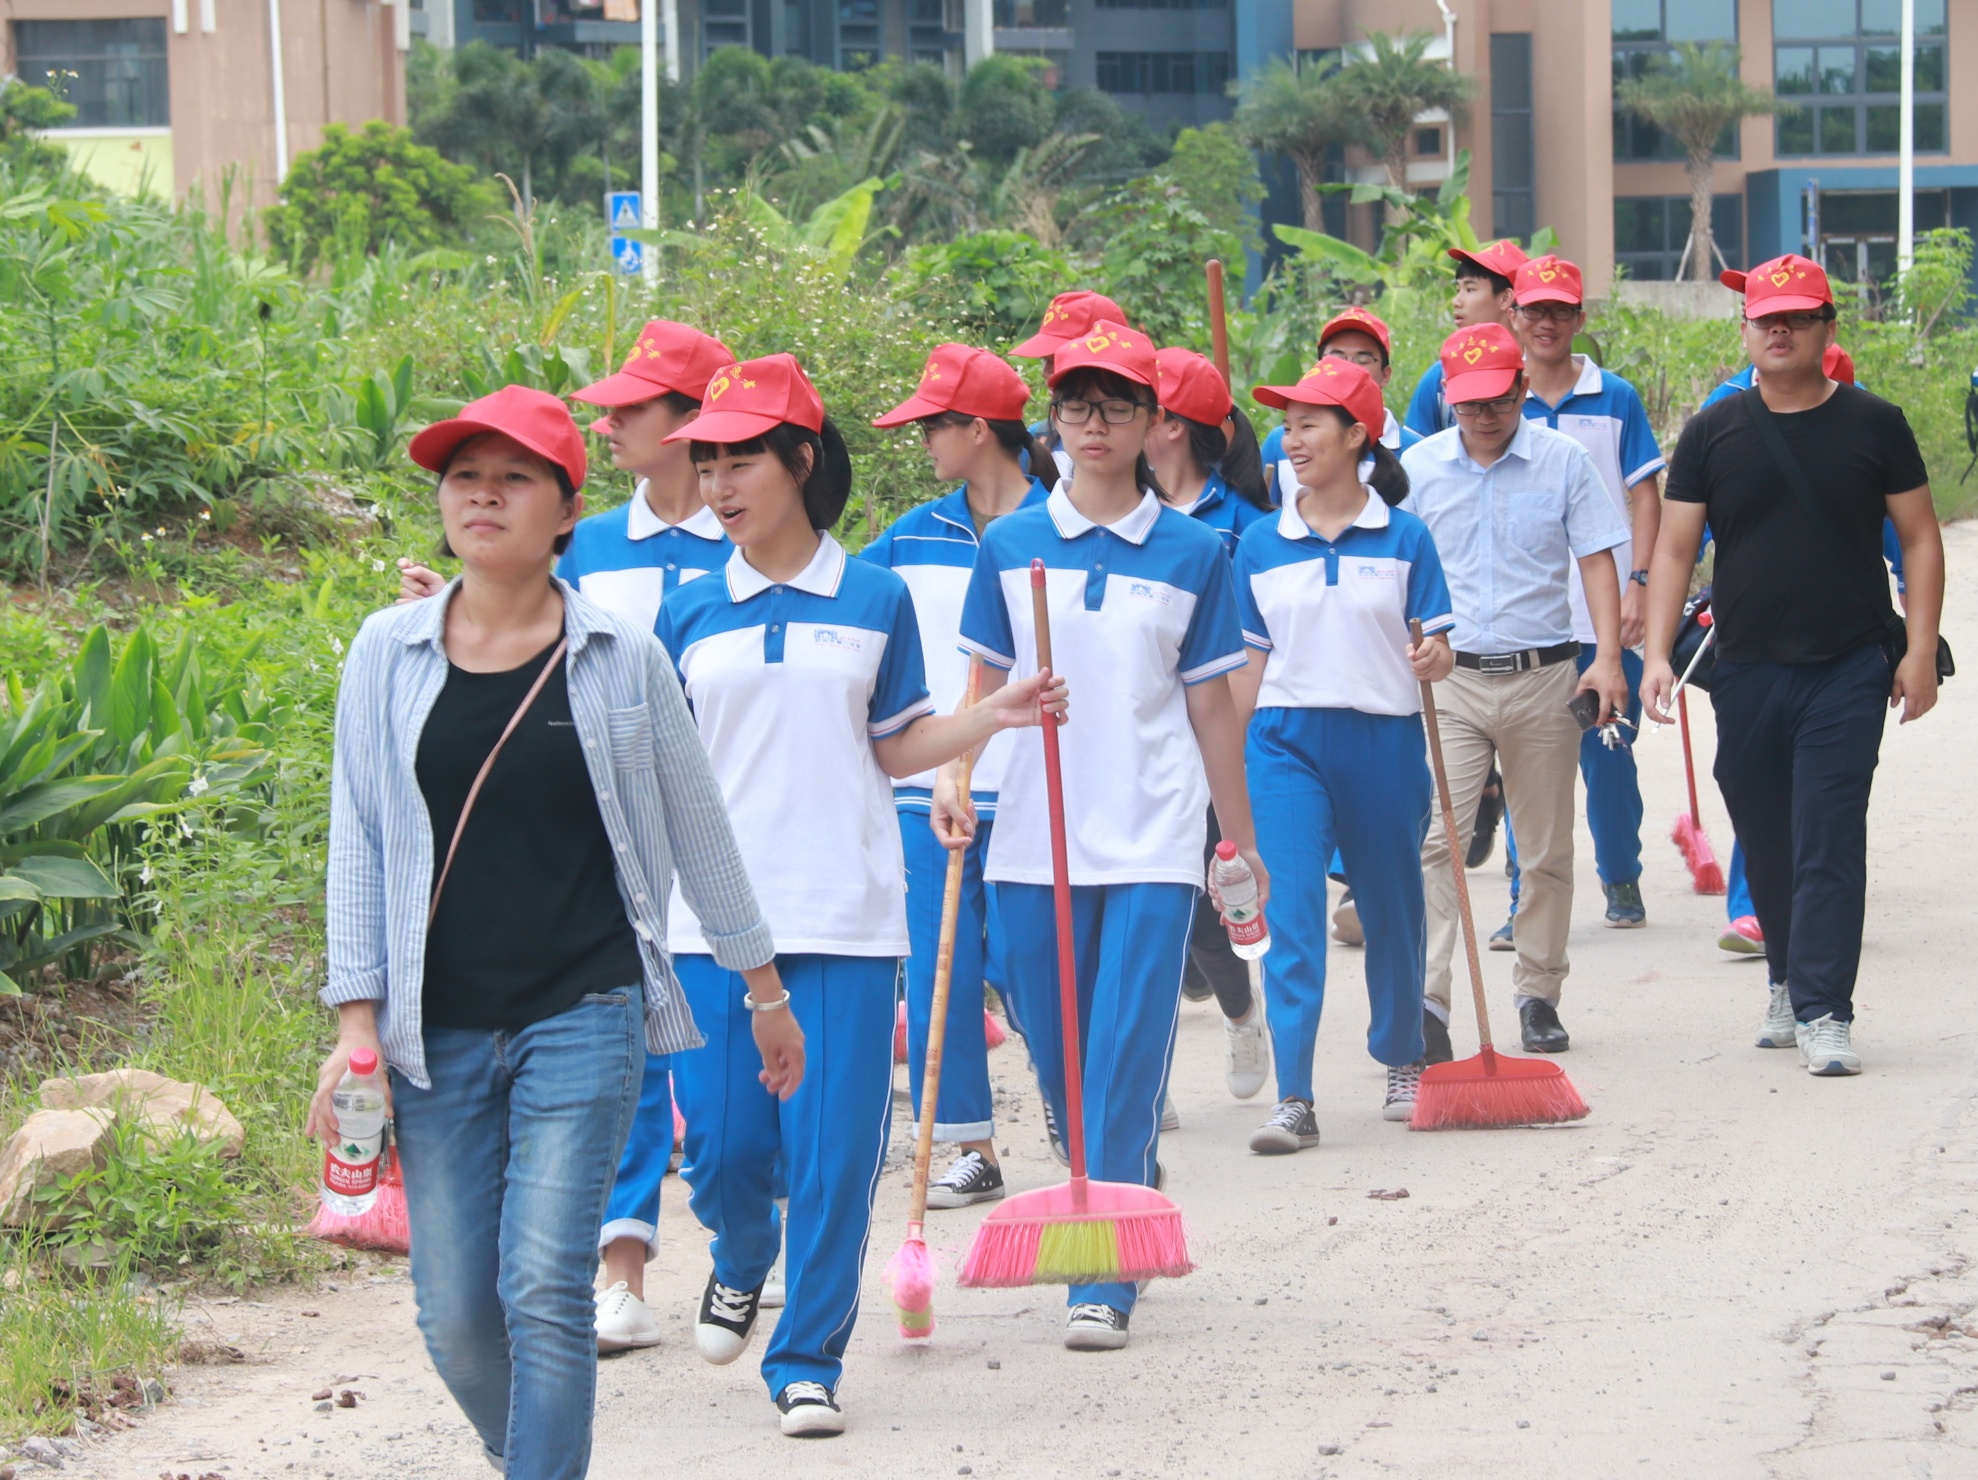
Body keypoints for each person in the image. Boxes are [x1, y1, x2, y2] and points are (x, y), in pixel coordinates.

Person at [314, 384, 802, 1480]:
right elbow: (358, 839)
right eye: (462, 478)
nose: (482, 496)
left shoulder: (617, 655)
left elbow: (700, 831)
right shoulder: (384, 654)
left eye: (513, 478)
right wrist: (357, 1029)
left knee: (542, 1282)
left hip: (581, 1010)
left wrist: (762, 989)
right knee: (452, 1311)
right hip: (434, 1031)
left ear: (565, 512)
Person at [655, 353, 1064, 1434]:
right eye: (706, 461)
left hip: (843, 911)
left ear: (800, 460)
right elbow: (660, 771)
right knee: (725, 1150)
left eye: (742, 457)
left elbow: (894, 748)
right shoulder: (688, 612)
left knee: (834, 1152)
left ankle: (805, 1358)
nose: (720, 482)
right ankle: (743, 1253)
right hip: (713, 926)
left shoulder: (875, 596)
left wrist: (994, 715)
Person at [396, 318, 746, 1353]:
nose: (614, 420)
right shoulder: (582, 546)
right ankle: (621, 1270)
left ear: (693, 423)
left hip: (732, 832)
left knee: (724, 1086)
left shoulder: (747, 534)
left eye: (633, 407)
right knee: (619, 1055)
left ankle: (740, 1234)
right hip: (609, 847)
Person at [944, 322, 1261, 1351]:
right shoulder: (1008, 545)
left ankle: (1103, 1266)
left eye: (1116, 404)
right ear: (1051, 415)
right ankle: (1107, 1181)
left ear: (1154, 421)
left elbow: (1213, 706)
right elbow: (980, 686)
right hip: (1033, 835)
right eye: (1075, 403)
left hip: (1151, 838)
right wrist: (957, 779)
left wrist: (1236, 842)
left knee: (1123, 1048)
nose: (1093, 421)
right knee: (1056, 1046)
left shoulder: (1194, 550)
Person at [1642, 253, 1945, 1077]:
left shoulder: (1875, 424)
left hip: (1847, 667)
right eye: (1766, 319)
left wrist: (1919, 650)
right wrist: (1656, 653)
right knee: (1768, 837)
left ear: (1825, 329)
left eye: (1797, 318)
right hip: (1744, 668)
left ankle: (1824, 1009)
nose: (1780, 329)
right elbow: (1675, 546)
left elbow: (1919, 537)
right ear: (1747, 331)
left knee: (1830, 835)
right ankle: (1783, 977)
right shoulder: (1713, 429)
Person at [1230, 358, 1455, 1144]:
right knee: (1290, 914)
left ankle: (1402, 1057)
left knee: (1392, 911)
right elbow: (1247, 667)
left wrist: (1435, 659)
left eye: (1308, 425)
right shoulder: (1260, 543)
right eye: (1287, 426)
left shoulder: (1406, 538)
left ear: (1357, 434)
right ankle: (1296, 1095)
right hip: (1286, 744)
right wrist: (1221, 765)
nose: (1291, 441)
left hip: (1385, 742)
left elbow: (1438, 644)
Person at [1399, 325, 1631, 1057]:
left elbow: (1597, 559)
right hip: (1452, 681)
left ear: (1523, 390)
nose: (1484, 417)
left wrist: (1608, 660)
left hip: (1544, 676)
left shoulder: (1562, 463)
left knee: (1544, 848)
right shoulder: (1418, 470)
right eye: (1468, 406)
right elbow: (1396, 569)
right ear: (1446, 399)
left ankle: (1538, 992)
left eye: (1498, 401)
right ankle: (1429, 1003)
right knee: (1438, 842)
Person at [860, 343, 1051, 1209]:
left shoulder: (1061, 526)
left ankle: (1076, 1112)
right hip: (927, 787)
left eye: (933, 425)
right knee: (942, 969)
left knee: (1028, 963)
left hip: (1037, 787)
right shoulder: (908, 537)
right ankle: (970, 1145)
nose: (922, 440)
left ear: (979, 430)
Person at [1696, 343, 1898, 959]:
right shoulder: (1723, 418)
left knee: (1823, 811)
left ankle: (1817, 991)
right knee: (1759, 798)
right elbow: (1696, 526)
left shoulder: (1867, 427)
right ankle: (1754, 912)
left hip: (1844, 654)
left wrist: (1917, 628)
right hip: (1751, 651)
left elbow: (1899, 535)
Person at [1491, 254, 1666, 943]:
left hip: (1600, 617)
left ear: (1579, 319)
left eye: (1560, 310)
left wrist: (1640, 584)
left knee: (1609, 755)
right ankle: (1520, 900)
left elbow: (1644, 493)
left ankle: (1621, 871)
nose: (1546, 322)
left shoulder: (1613, 396)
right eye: (1534, 309)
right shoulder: (1494, 400)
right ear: (1514, 314)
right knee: (1526, 771)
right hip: (1523, 620)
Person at [1145, 345, 1275, 1104]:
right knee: (1141, 907)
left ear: (1180, 429)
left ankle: (1238, 1010)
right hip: (1136, 735)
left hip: (1218, 731)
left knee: (1205, 904)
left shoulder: (1246, 527)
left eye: (1150, 410)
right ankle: (1146, 1078)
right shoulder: (1118, 516)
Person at [1260, 306, 1423, 506]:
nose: (1347, 368)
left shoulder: (1417, 453)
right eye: (1335, 359)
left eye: (1363, 360)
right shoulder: (1279, 442)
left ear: (1386, 375)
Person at [1403, 240, 1530, 438]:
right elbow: (1417, 452)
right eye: (1458, 289)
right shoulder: (1440, 377)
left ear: (1506, 298)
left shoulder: (1544, 373)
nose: (1456, 302)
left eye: (1470, 289)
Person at [1010, 289, 1130, 483]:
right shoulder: (1037, 440)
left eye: (1057, 359)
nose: (1046, 372)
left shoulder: (1152, 446)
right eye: (1045, 359)